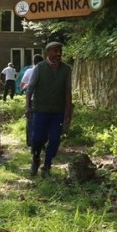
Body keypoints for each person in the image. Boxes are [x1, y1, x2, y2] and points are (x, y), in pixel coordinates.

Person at [25, 42, 72, 177]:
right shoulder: (39, 68)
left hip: (58, 112)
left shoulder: (66, 69)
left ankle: (47, 165)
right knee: (37, 138)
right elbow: (30, 89)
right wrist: (27, 106)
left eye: (60, 51)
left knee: (55, 139)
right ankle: (35, 159)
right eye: (55, 51)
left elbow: (68, 92)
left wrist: (68, 112)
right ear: (48, 53)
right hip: (40, 110)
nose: (58, 54)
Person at [21, 54, 45, 146]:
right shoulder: (46, 71)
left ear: (33, 62)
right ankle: (41, 142)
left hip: (30, 99)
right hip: (43, 99)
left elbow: (22, 85)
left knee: (30, 120)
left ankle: (31, 142)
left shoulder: (29, 71)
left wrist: (28, 85)